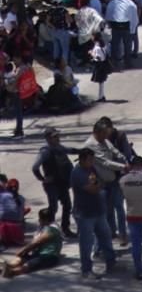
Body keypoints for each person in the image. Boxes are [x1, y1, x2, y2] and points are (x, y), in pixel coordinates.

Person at [71, 147, 117, 279]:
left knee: (106, 238)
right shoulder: (77, 173)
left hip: (98, 210)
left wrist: (98, 186)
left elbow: (100, 182)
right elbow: (92, 189)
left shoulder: (91, 169)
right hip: (85, 213)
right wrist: (98, 187)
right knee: (86, 243)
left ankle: (111, 263)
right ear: (82, 159)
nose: (92, 162)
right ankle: (86, 270)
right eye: (90, 159)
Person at [84, 118, 130, 246]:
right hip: (102, 183)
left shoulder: (104, 140)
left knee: (119, 207)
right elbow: (105, 162)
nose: (107, 136)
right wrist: (123, 167)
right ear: (97, 132)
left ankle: (122, 234)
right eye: (105, 134)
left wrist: (123, 159)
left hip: (113, 180)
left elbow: (115, 150)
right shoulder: (91, 145)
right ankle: (109, 235)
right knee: (107, 211)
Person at [31, 127, 79, 237]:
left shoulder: (59, 148)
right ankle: (48, 231)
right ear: (48, 139)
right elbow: (35, 167)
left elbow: (71, 150)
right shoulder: (45, 152)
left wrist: (83, 151)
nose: (58, 138)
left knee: (67, 205)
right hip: (52, 185)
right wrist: (43, 179)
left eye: (58, 136)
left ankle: (65, 229)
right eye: (54, 137)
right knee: (53, 208)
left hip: (62, 183)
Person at [2, 208, 63, 278]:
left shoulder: (52, 229)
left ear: (45, 219)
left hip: (48, 256)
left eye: (40, 218)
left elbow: (37, 242)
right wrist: (24, 252)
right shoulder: (44, 228)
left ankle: (11, 272)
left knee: (29, 264)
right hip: (38, 254)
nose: (39, 220)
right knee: (22, 257)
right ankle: (8, 266)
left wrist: (23, 250)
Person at [106, 0, 139, 68]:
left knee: (115, 44)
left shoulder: (112, 2)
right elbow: (134, 17)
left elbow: (108, 15)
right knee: (127, 45)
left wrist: (109, 24)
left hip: (115, 25)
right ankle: (128, 62)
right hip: (125, 25)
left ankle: (114, 62)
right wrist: (133, 29)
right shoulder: (129, 3)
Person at [90, 33, 110, 102]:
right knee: (101, 82)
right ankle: (101, 95)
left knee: (100, 81)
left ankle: (100, 97)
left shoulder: (97, 47)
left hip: (99, 66)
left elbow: (98, 57)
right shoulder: (102, 45)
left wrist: (92, 54)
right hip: (103, 65)